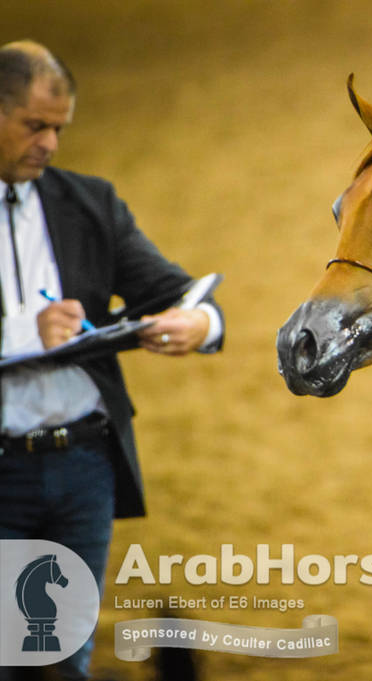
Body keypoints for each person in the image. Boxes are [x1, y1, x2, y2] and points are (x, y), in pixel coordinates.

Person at [0, 41, 223, 680]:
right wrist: (24, 330)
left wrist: (199, 323)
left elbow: (177, 293)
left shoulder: (90, 204)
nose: (50, 144)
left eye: (60, 129)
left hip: (85, 468)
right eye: (34, 126)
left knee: (67, 662)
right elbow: (32, 332)